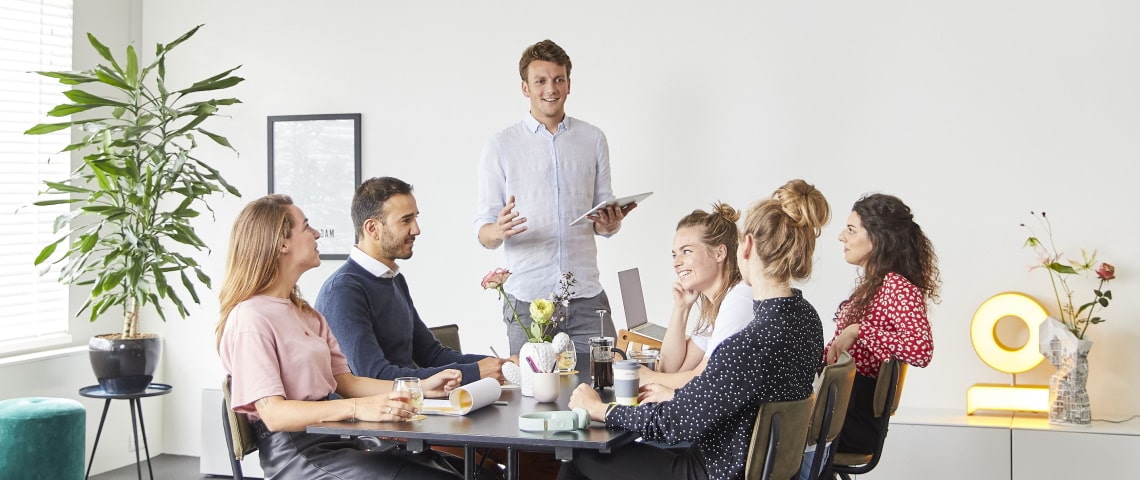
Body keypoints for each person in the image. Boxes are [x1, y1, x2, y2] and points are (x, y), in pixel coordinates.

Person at [560, 179, 830, 480]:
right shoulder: (806, 319)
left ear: (747, 246)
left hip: (712, 471)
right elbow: (719, 396)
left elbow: (672, 426)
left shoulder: (750, 343)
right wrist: (677, 396)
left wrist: (601, 410)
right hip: (760, 469)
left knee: (579, 456)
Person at [215, 194, 463, 479]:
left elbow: (347, 383)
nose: (317, 233)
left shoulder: (305, 313)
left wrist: (420, 387)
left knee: (460, 471)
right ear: (281, 243)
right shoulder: (250, 318)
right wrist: (358, 409)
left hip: (340, 438)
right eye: (306, 226)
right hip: (297, 456)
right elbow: (274, 414)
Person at [475, 38, 637, 355]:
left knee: (602, 389)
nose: (551, 88)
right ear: (525, 88)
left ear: (569, 84)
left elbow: (603, 216)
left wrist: (609, 224)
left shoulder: (593, 139)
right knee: (534, 397)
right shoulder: (500, 146)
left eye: (558, 79)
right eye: (541, 81)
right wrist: (498, 230)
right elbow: (484, 230)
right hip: (529, 303)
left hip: (587, 300)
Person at [316, 176, 510, 386]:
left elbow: (431, 354)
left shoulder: (394, 280)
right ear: (372, 229)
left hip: (409, 406)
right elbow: (374, 376)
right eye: (406, 220)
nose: (416, 229)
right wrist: (474, 372)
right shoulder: (344, 290)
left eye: (415, 218)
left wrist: (499, 365)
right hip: (377, 413)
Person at [799, 193, 940, 480]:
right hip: (839, 412)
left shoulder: (896, 287)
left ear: (879, 237)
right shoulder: (874, 287)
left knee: (769, 432)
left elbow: (921, 349)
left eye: (851, 230)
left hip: (850, 420)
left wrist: (859, 330)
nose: (841, 237)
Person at [640, 202, 753, 389]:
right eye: (674, 254)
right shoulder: (718, 304)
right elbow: (671, 370)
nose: (676, 263)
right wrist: (681, 308)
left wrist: (646, 377)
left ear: (719, 253)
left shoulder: (739, 299)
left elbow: (701, 379)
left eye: (686, 251)